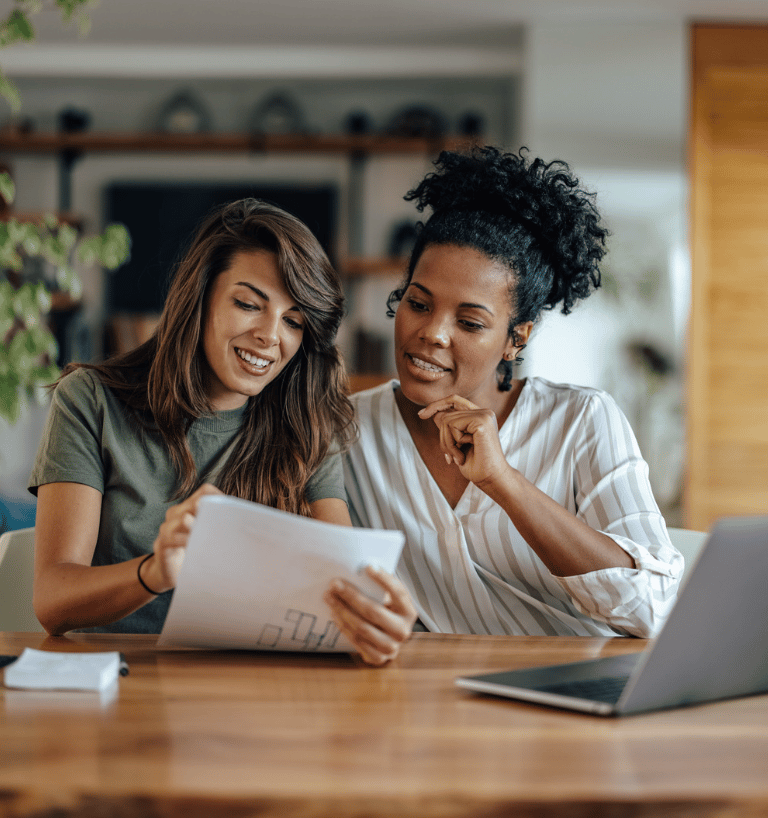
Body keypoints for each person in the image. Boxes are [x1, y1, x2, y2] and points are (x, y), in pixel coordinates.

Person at [29, 198, 416, 664]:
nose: (271, 336)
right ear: (200, 298)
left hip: (251, 687)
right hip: (117, 677)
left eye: (294, 321)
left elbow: (343, 577)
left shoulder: (309, 422)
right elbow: (53, 601)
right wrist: (154, 572)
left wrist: (373, 620)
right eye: (249, 304)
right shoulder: (90, 400)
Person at [342, 146, 684, 639]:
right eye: (418, 303)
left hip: (569, 697)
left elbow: (654, 609)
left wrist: (503, 481)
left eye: (470, 321)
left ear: (515, 339)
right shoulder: (347, 430)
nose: (433, 333)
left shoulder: (582, 420)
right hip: (427, 701)